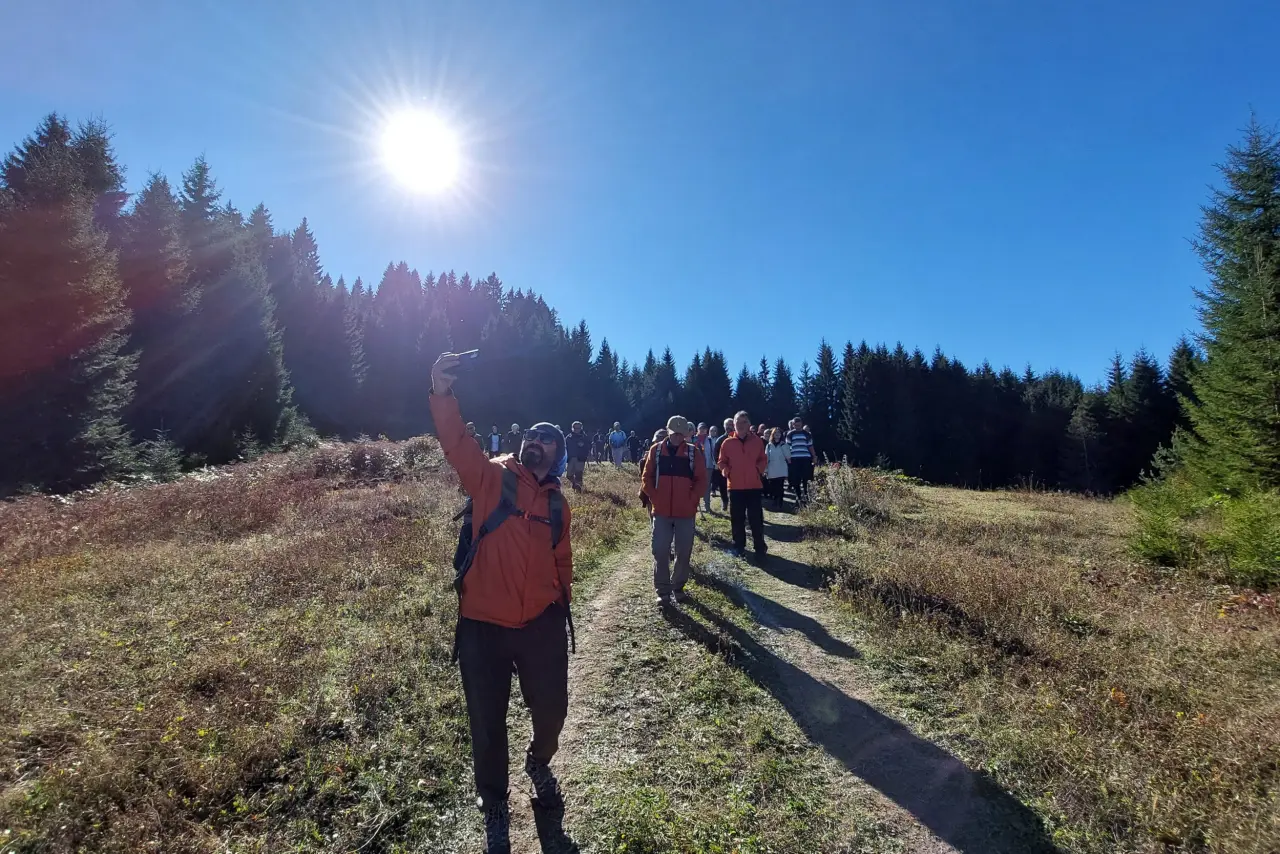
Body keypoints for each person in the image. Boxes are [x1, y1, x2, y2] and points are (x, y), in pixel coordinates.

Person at [428, 353, 575, 854]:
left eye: (547, 438)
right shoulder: (491, 477)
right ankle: (493, 803)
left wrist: (563, 606)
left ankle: (539, 760)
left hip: (540, 622)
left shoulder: (557, 504)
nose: (536, 440)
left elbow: (562, 559)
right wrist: (442, 393)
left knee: (552, 708)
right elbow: (457, 445)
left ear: (557, 453)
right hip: (483, 625)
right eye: (531, 435)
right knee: (487, 723)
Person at [641, 416, 707, 607]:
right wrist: (655, 497)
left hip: (685, 513)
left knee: (683, 552)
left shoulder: (693, 452)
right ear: (668, 432)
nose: (678, 437)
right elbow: (646, 477)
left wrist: (691, 499)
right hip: (661, 511)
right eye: (674, 433)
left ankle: (678, 587)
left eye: (681, 434)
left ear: (686, 434)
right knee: (660, 551)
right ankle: (663, 591)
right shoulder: (656, 450)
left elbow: (701, 480)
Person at [718, 410, 768, 558]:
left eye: (744, 422)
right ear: (733, 424)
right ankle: (739, 546)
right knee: (737, 519)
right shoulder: (727, 443)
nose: (740, 425)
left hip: (754, 486)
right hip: (735, 486)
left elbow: (763, 459)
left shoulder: (757, 441)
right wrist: (727, 471)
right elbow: (721, 462)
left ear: (749, 424)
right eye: (737, 422)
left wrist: (757, 470)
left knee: (756, 519)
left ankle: (760, 547)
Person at [786, 417, 816, 506]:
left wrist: (814, 456)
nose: (797, 426)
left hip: (806, 458)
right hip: (794, 459)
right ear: (793, 425)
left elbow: (810, 446)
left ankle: (807, 497)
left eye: (799, 424)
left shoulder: (807, 434)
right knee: (796, 479)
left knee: (806, 478)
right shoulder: (790, 434)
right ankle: (798, 497)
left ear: (801, 424)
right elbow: (787, 447)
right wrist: (788, 458)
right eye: (795, 425)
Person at [765, 427, 792, 510]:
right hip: (772, 468)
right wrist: (765, 469)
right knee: (773, 486)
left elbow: (788, 457)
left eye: (779, 433)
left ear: (781, 435)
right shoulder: (769, 445)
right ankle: (774, 500)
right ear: (773, 435)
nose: (777, 434)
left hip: (781, 468)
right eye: (775, 433)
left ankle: (779, 502)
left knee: (780, 486)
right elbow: (766, 458)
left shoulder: (784, 445)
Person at [710, 418, 734, 511]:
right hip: (723, 468)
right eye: (727, 425)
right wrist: (720, 465)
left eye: (731, 424)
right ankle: (725, 501)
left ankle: (734, 503)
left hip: (736, 468)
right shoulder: (720, 440)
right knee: (723, 485)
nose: (729, 426)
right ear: (724, 426)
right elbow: (715, 453)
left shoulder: (738, 438)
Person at [695, 423, 716, 515]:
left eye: (704, 428)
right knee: (695, 485)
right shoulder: (694, 439)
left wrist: (715, 463)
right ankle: (695, 505)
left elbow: (713, 452)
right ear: (697, 429)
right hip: (696, 466)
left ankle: (707, 506)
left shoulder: (710, 440)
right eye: (701, 428)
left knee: (707, 486)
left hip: (708, 466)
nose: (702, 430)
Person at [565, 421, 591, 492]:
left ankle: (579, 490)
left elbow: (588, 447)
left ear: (581, 428)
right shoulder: (569, 437)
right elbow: (565, 447)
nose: (576, 429)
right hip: (571, 458)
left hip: (580, 458)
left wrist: (585, 453)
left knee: (578, 474)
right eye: (575, 428)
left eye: (578, 428)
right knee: (568, 475)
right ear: (572, 428)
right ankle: (575, 484)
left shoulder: (584, 437)